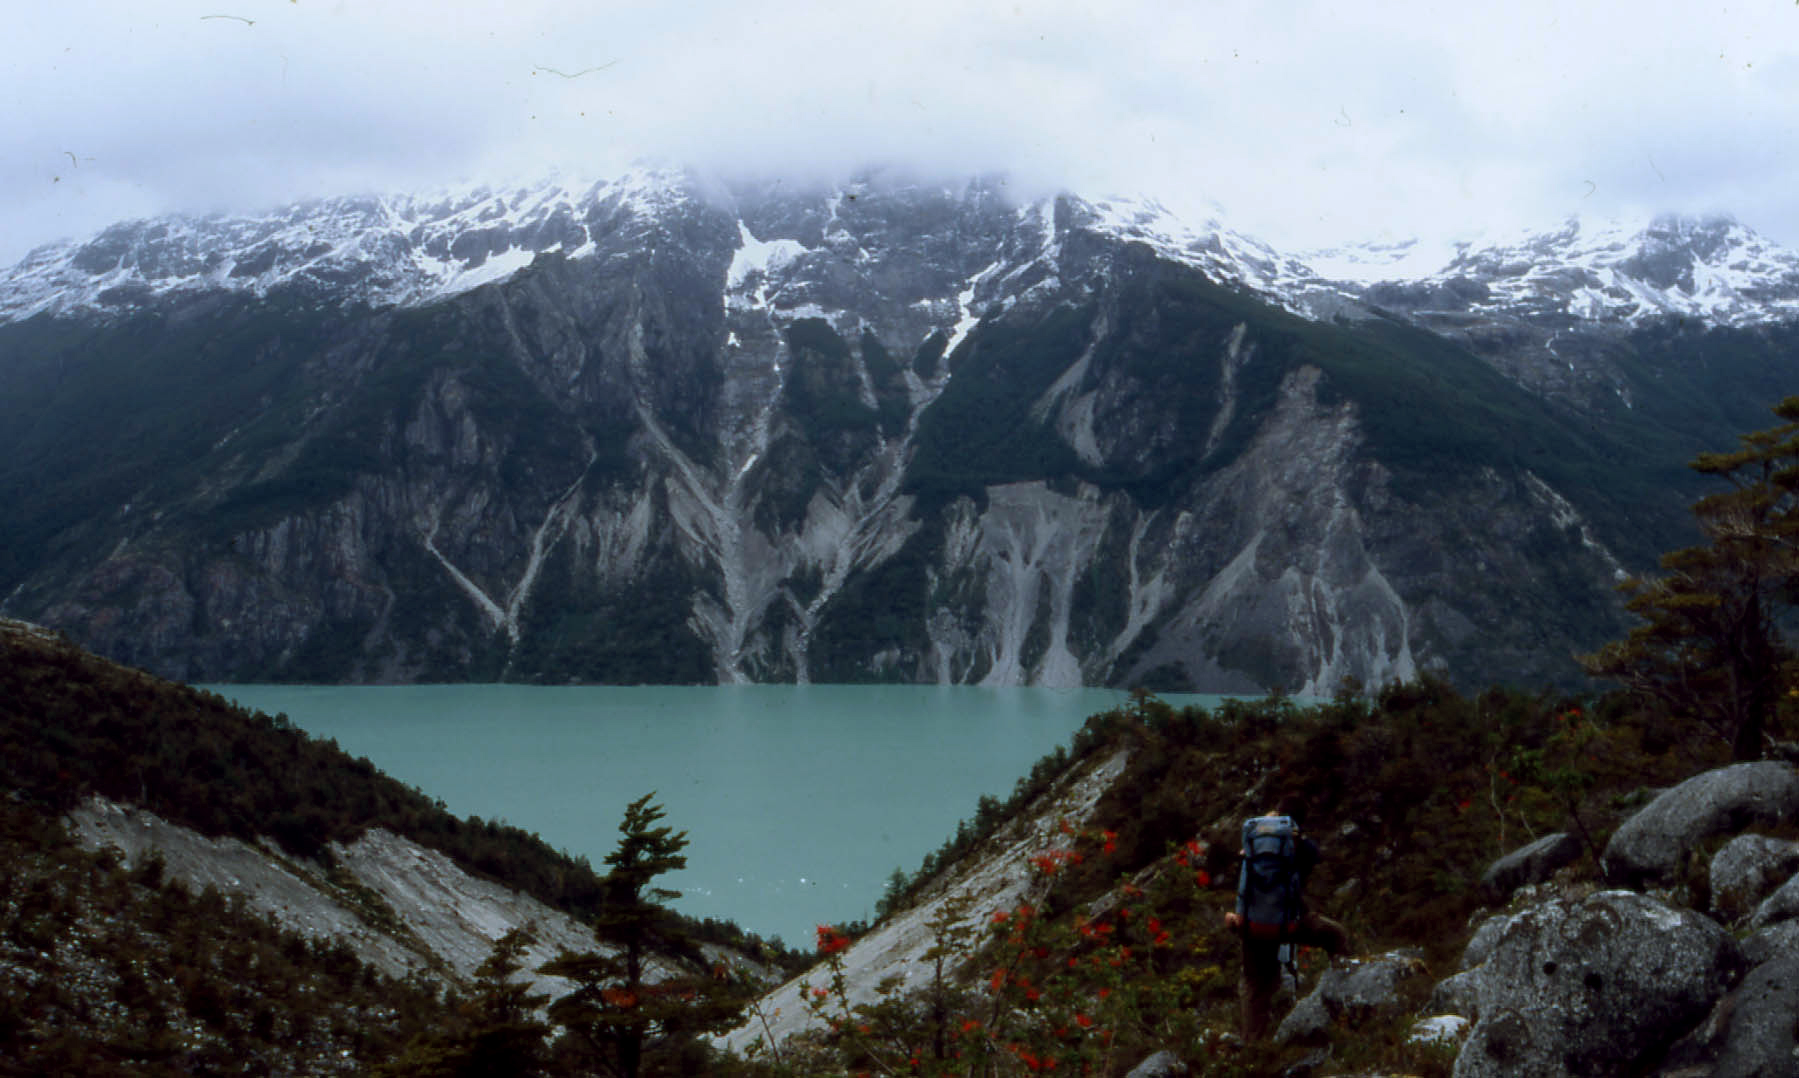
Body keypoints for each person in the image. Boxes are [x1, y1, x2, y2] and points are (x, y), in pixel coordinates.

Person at [1222, 798, 1349, 1040]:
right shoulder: (1301, 846)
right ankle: (1344, 1003)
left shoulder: (1254, 841)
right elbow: (1312, 859)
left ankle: (1253, 1046)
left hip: (1253, 926)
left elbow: (1244, 881)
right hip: (1292, 923)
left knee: (1254, 984)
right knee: (1336, 936)